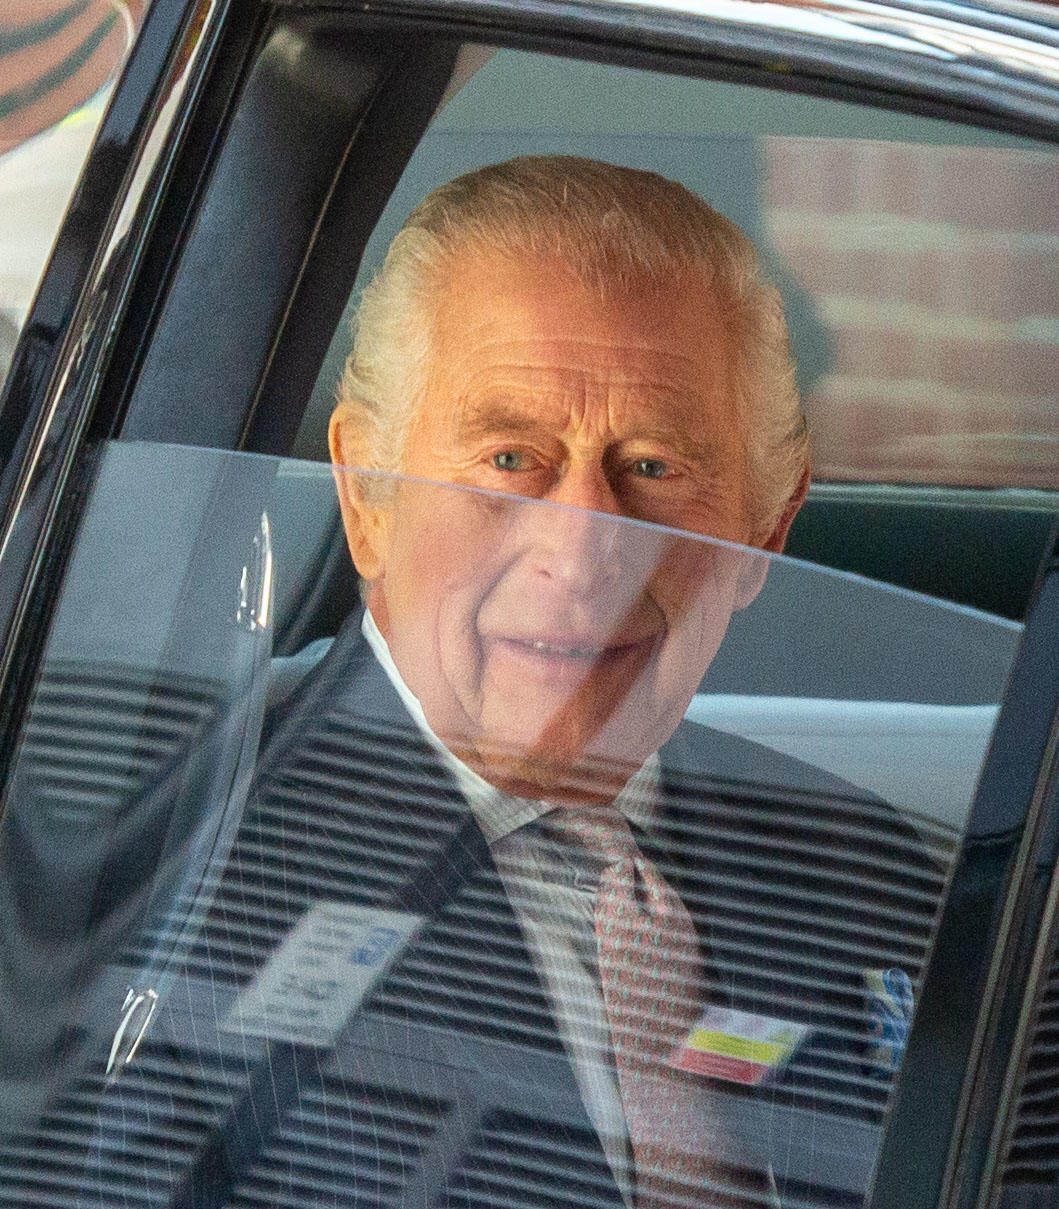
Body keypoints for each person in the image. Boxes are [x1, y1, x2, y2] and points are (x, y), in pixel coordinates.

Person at [223, 157, 931, 1209]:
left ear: (764, 534)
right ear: (367, 496)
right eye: (512, 459)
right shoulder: (190, 859)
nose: (583, 550)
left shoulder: (863, 866)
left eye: (652, 467)